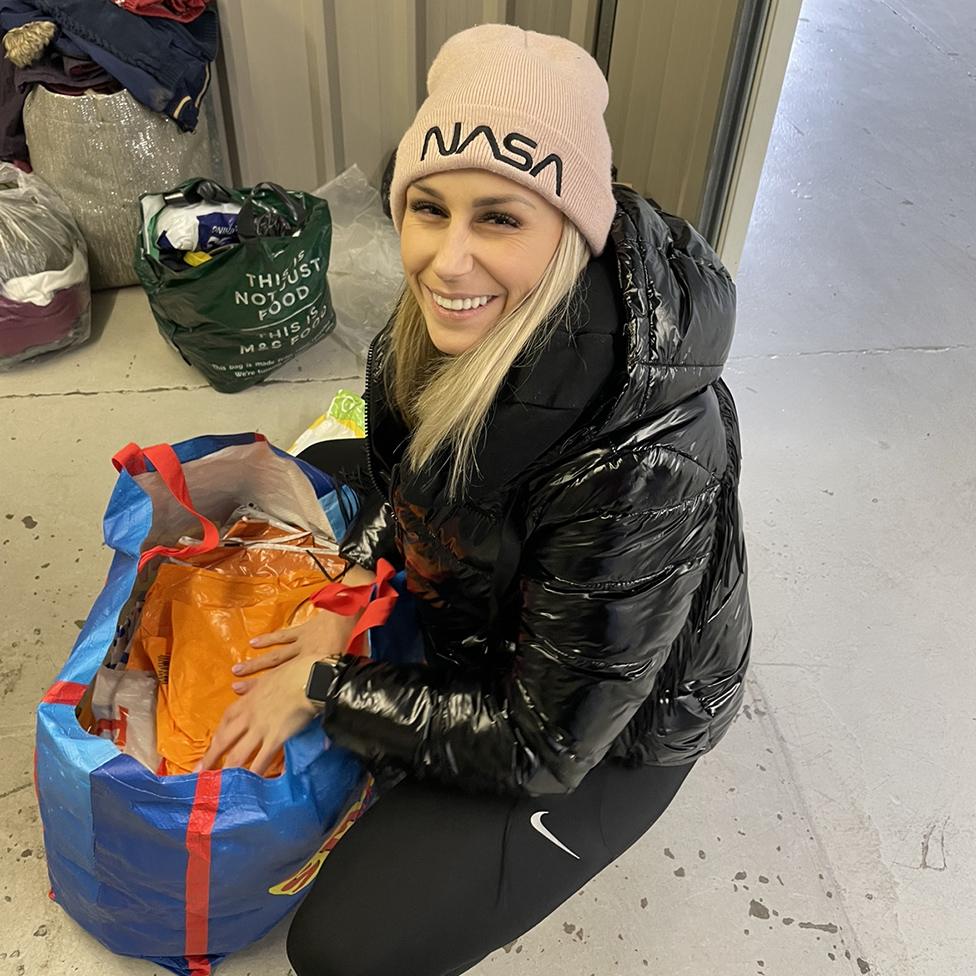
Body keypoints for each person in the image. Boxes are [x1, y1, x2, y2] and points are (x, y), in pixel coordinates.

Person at [201, 22, 751, 976]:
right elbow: (408, 482)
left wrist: (325, 691)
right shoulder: (431, 331)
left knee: (345, 948)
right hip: (504, 603)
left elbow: (544, 742)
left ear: (571, 231)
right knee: (333, 458)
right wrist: (347, 599)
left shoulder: (645, 457)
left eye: (499, 218)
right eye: (428, 208)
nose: (448, 263)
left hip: (612, 729)